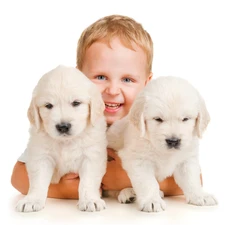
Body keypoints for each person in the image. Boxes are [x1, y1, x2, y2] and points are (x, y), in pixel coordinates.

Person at [11, 14, 184, 199]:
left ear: (147, 84)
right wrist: (60, 190)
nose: (113, 89)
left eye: (127, 79)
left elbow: (189, 178)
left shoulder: (153, 125)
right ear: (78, 78)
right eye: (101, 77)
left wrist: (128, 179)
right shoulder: (63, 126)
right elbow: (17, 177)